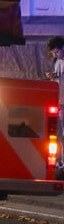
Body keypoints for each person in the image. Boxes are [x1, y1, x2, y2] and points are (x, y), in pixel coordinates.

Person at [46, 36, 64, 179]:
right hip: (60, 101)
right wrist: (53, 77)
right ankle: (61, 162)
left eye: (57, 51)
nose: (55, 55)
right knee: (60, 135)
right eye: (53, 53)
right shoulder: (57, 61)